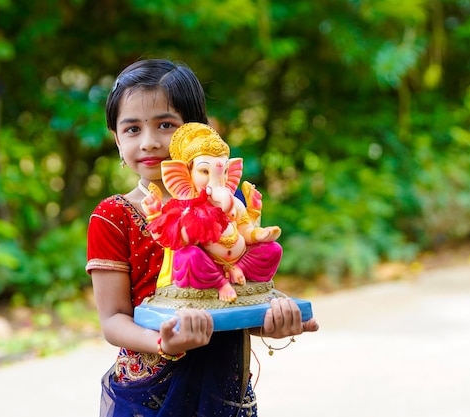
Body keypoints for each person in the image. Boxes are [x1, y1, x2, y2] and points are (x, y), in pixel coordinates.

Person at [86, 59, 319, 417]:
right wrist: (165, 343)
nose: (149, 143)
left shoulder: (230, 202)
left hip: (224, 382)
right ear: (116, 140)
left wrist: (273, 320)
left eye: (165, 125)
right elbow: (114, 319)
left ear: (197, 132)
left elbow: (237, 298)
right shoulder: (113, 216)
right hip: (150, 394)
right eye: (132, 129)